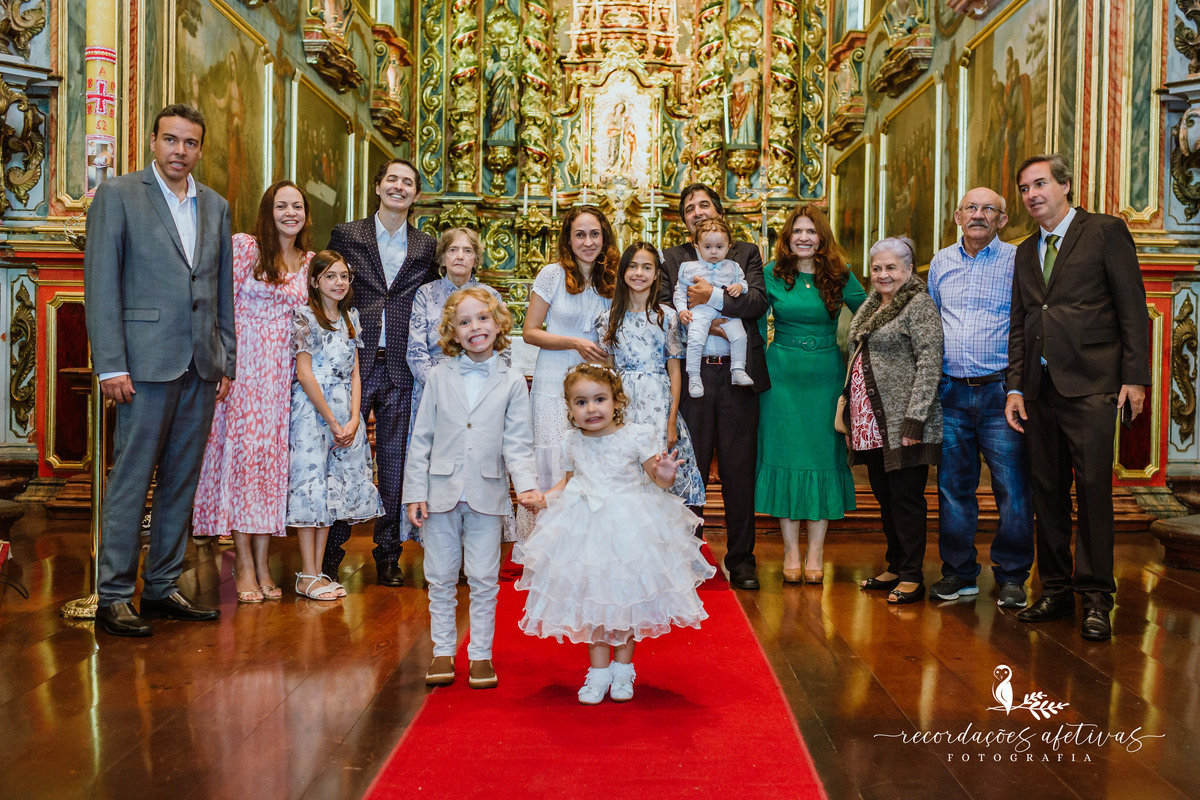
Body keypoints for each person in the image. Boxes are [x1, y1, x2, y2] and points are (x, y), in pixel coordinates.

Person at [84, 103, 234, 637]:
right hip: (142, 365)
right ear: (152, 142)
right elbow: (101, 282)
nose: (180, 151)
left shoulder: (214, 205)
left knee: (180, 481)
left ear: (200, 149)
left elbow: (220, 290)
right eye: (171, 140)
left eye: (190, 143)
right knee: (131, 479)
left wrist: (227, 361)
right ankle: (115, 595)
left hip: (200, 363)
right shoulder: (120, 196)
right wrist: (111, 365)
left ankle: (164, 585)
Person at [1005, 154, 1151, 641]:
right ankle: (1055, 589)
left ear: (1066, 185)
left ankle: (1095, 597)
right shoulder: (1025, 251)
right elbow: (1023, 322)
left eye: (1041, 183)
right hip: (1040, 391)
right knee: (1046, 494)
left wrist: (1135, 377)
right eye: (1025, 188)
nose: (1032, 195)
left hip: (1092, 384)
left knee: (1091, 493)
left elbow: (1132, 306)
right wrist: (1015, 387)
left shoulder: (1105, 231)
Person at [514, 364, 715, 704]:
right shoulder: (571, 441)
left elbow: (659, 479)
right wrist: (544, 499)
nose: (591, 409)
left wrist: (665, 472)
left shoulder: (636, 435)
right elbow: (568, 481)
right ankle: (598, 673)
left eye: (599, 399)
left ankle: (623, 672)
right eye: (581, 402)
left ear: (616, 400)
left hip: (628, 529)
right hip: (585, 529)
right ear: (570, 409)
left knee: (623, 600)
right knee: (592, 600)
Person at [405, 287, 543, 690]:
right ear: (452, 331)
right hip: (439, 492)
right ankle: (443, 650)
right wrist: (415, 491)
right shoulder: (438, 376)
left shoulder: (513, 380)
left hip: (488, 492)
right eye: (464, 322)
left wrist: (529, 488)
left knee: (483, 578)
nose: (474, 328)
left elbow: (518, 441)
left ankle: (480, 653)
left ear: (499, 324)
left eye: (482, 318)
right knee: (441, 576)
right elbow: (422, 439)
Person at [192, 181, 314, 603]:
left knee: (271, 472)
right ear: (269, 210)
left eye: (297, 206)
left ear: (306, 214)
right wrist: (220, 364)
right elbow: (217, 303)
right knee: (245, 467)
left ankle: (263, 564)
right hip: (245, 374)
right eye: (282, 205)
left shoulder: (309, 261)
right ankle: (243, 562)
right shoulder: (246, 247)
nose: (290, 213)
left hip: (283, 379)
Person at [321, 159, 439, 587]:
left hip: (402, 361)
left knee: (394, 460)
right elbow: (327, 285)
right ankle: (329, 555)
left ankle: (388, 553)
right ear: (378, 187)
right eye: (392, 180)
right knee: (343, 454)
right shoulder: (348, 234)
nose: (399, 187)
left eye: (408, 183)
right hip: (356, 356)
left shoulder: (427, 246)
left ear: (416, 195)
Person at [658, 183, 768, 590]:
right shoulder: (674, 258)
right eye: (689, 208)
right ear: (684, 221)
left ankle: (741, 560)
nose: (697, 211)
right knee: (692, 468)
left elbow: (757, 302)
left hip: (738, 376)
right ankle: (688, 557)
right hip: (694, 373)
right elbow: (667, 305)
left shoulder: (744, 253)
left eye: (704, 204)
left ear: (719, 212)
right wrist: (713, 318)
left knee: (739, 470)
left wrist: (715, 298)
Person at [927, 188, 1034, 607]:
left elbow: (1026, 326)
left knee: (1012, 488)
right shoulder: (940, 262)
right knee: (954, 488)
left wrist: (1018, 385)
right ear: (957, 216)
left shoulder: (1017, 261)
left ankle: (1012, 575)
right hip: (951, 390)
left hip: (1000, 392)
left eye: (989, 208)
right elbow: (933, 323)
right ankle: (958, 573)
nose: (979, 214)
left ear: (1003, 220)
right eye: (971, 207)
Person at [757, 205, 866, 584]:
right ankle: (790, 550)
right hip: (781, 378)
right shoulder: (770, 275)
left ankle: (816, 552)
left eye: (811, 231)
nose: (803, 237)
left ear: (822, 237)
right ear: (787, 238)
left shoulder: (839, 274)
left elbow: (868, 313)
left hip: (825, 377)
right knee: (784, 456)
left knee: (821, 458)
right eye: (796, 231)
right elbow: (755, 326)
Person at [842, 237, 943, 605]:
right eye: (877, 268)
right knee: (885, 498)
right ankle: (896, 565)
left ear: (907, 269)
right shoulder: (872, 305)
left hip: (903, 422)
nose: (883, 275)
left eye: (891, 268)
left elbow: (930, 363)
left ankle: (913, 575)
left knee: (906, 499)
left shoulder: (919, 305)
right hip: (872, 422)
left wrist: (916, 419)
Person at [287, 252, 384, 599]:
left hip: (345, 410)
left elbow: (357, 372)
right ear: (315, 281)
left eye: (344, 276)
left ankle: (317, 574)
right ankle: (307, 573)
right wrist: (330, 418)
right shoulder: (304, 317)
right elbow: (303, 371)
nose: (339, 283)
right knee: (310, 485)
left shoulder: (350, 317)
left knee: (331, 490)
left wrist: (356, 417)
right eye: (330, 276)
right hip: (314, 411)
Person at [517, 205, 618, 539]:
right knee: (554, 452)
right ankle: (544, 542)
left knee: (590, 458)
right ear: (568, 239)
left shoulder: (614, 279)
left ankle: (587, 540)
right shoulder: (552, 274)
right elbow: (531, 331)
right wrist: (574, 342)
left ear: (604, 238)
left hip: (597, 384)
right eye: (580, 234)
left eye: (594, 234)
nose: (588, 242)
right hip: (554, 378)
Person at [407, 227, 513, 543]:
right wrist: (441, 388)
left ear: (476, 258)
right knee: (439, 470)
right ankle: (437, 545)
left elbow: (504, 349)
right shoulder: (425, 294)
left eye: (467, 251)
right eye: (453, 250)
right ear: (443, 256)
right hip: (435, 393)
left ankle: (477, 547)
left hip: (481, 394)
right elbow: (415, 351)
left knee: (478, 466)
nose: (460, 256)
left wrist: (488, 390)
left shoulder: (490, 296)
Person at [595, 242, 706, 506]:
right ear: (623, 272)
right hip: (622, 405)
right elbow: (607, 373)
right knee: (622, 481)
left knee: (656, 481)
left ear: (657, 274)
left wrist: (671, 422)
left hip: (657, 404)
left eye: (647, 267)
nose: (639, 273)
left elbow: (675, 373)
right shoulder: (607, 318)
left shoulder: (666, 317)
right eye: (632, 266)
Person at [674, 218, 753, 397]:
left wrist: (739, 287)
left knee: (740, 336)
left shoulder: (733, 267)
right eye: (707, 247)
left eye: (719, 247)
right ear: (697, 246)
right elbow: (679, 291)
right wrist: (681, 310)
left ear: (728, 246)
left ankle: (738, 370)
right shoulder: (689, 268)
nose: (714, 252)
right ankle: (694, 376)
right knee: (695, 338)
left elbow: (744, 284)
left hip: (726, 311)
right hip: (700, 310)